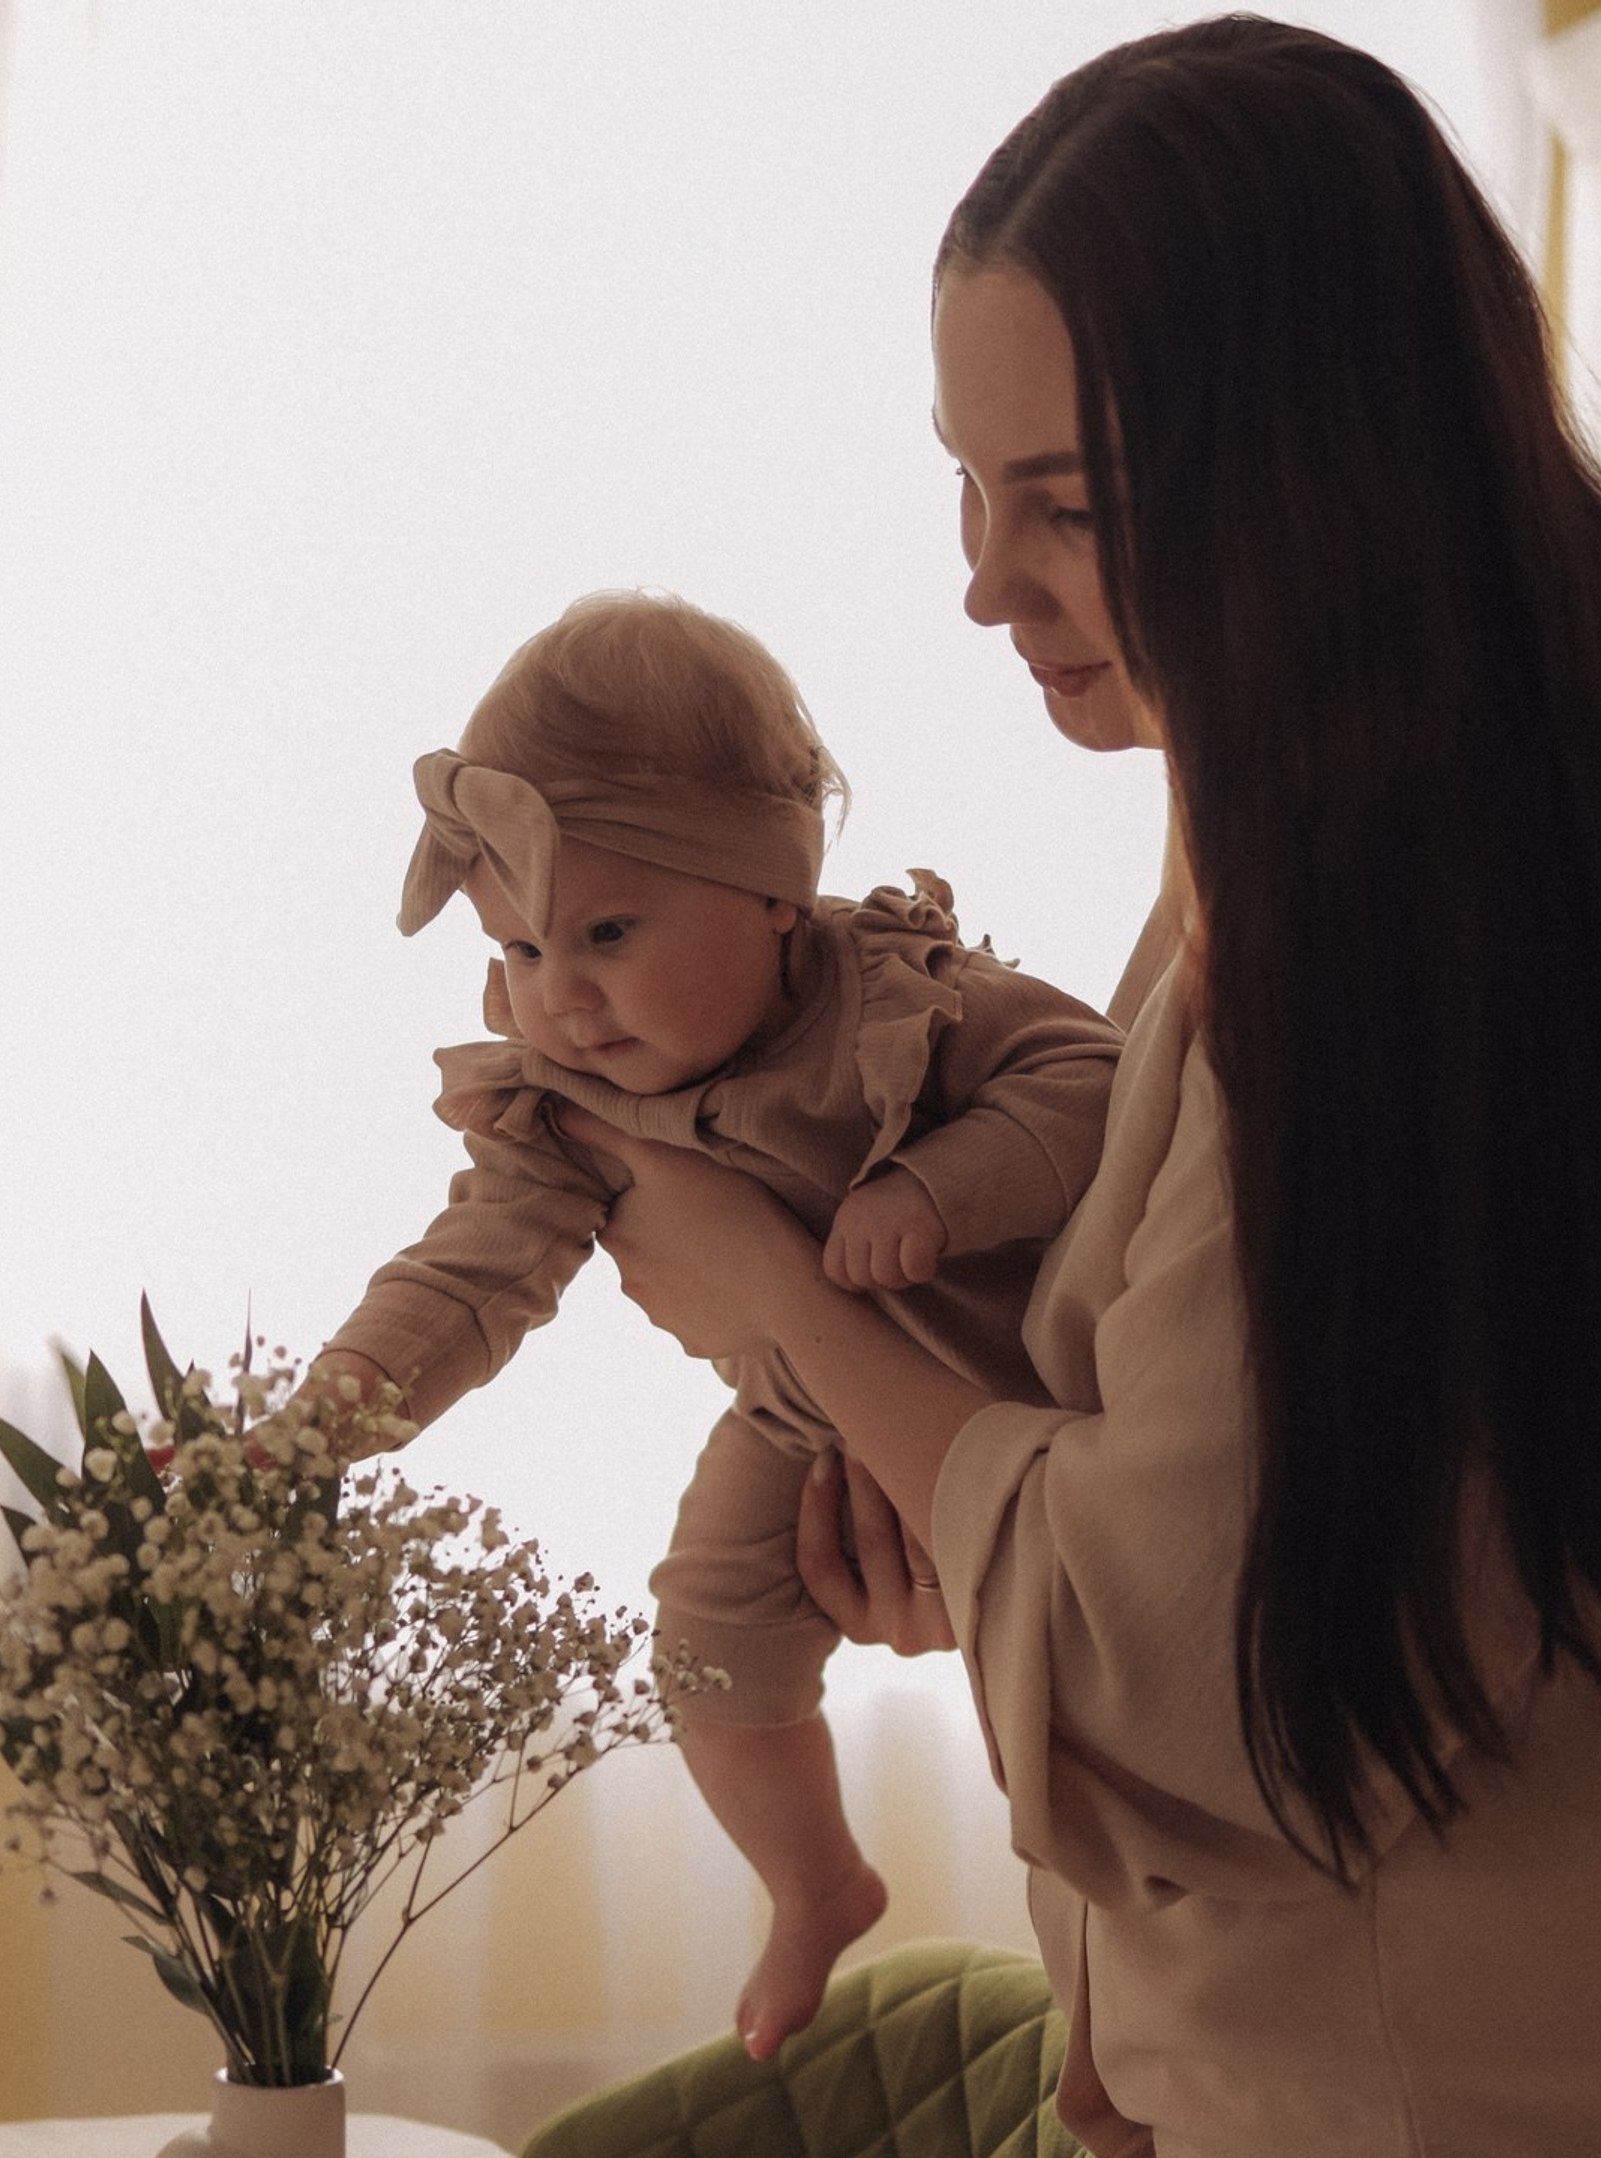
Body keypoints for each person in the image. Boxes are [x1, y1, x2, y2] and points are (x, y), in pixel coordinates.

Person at [564, 18, 1601, 2158]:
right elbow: (1295, 1535)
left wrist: (783, 1300)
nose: (984, 583)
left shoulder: (1374, 947)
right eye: (965, 486)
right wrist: (986, 1552)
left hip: (1482, 2148)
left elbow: (1184, 1660)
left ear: (1308, 481)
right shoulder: (1353, 850)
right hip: (1538, 2055)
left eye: (1063, 502)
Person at [314, 590, 1122, 2057]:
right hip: (803, 1428)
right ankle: (815, 1882)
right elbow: (472, 1270)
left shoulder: (903, 1002)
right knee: (704, 1634)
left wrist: (941, 1189)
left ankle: (1106, 1922)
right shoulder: (565, 1101)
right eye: (516, 950)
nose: (561, 997)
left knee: (1059, 1704)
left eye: (607, 932)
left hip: (1015, 1410)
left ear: (772, 892)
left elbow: (1093, 1083)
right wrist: (338, 1406)